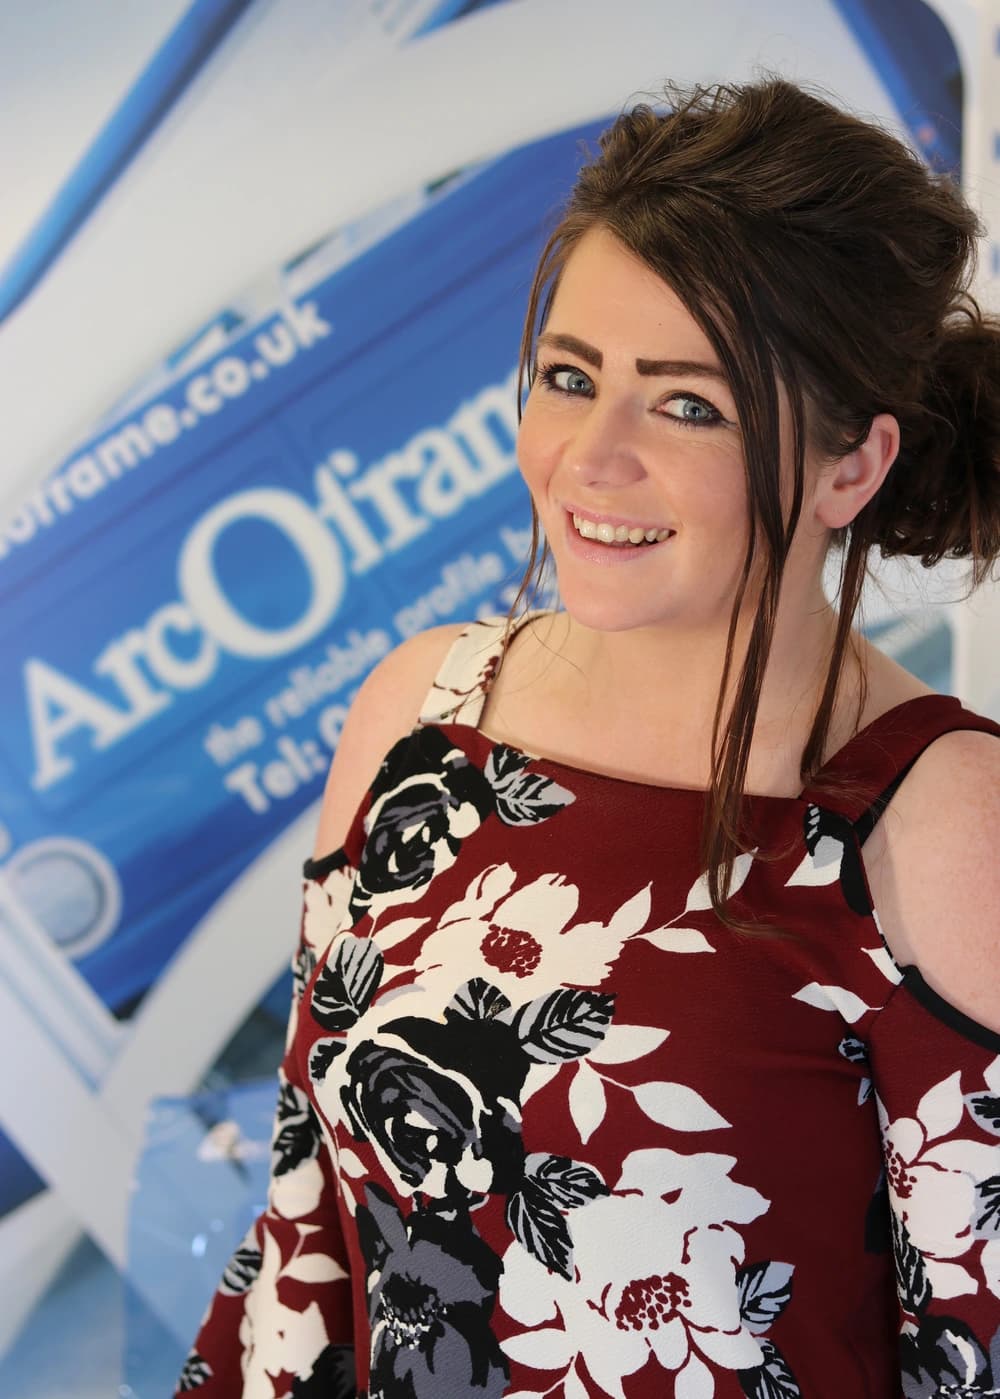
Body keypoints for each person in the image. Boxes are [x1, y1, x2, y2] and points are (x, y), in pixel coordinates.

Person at [176, 78, 1000, 1398]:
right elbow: (303, 1245)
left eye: (687, 405)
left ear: (852, 467)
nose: (589, 457)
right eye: (570, 378)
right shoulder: (419, 714)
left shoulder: (940, 818)